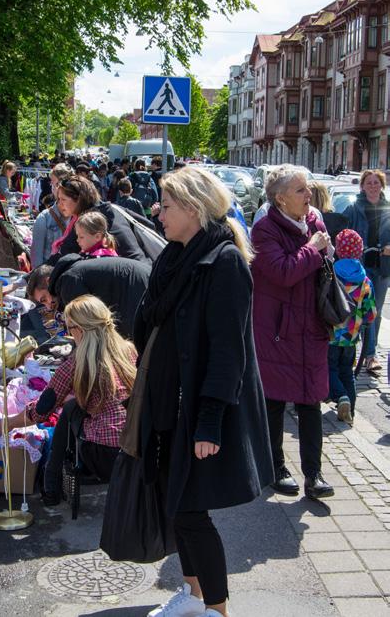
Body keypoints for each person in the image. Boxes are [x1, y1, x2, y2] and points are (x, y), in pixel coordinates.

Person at [134, 166, 273, 617]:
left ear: (193, 209)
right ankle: (194, 598)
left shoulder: (224, 261)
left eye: (167, 205)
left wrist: (210, 420)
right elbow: (153, 319)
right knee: (176, 506)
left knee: (191, 510)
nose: (159, 213)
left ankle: (217, 609)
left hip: (200, 408)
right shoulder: (175, 256)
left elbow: (229, 351)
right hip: (169, 402)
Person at [0, 295, 137, 505]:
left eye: (70, 329)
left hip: (104, 454)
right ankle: (52, 486)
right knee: (72, 406)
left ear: (80, 329)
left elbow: (42, 409)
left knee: (69, 409)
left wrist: (7, 423)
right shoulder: (129, 351)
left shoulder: (77, 363)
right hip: (136, 446)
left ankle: (51, 487)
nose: (69, 334)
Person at [251, 164, 335, 500]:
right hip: (277, 330)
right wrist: (314, 249)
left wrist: (326, 251)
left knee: (311, 401)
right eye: (300, 190)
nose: (309, 194)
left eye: (308, 188)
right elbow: (284, 272)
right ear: (281, 199)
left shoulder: (314, 219)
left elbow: (321, 263)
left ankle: (314, 475)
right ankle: (276, 468)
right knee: (274, 401)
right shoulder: (264, 230)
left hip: (310, 327)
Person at [26, 256, 150, 339]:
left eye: (44, 299)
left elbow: (87, 327)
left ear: (48, 281)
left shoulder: (67, 282)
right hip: (139, 281)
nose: (48, 305)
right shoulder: (69, 275)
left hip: (136, 290)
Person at [343, 169, 390, 375]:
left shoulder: (388, 209)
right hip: (359, 269)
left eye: (376, 183)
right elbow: (341, 232)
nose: (373, 186)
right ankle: (362, 353)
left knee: (375, 312)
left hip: (382, 268)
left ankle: (370, 355)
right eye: (369, 183)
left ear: (382, 186)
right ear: (362, 186)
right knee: (359, 311)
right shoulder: (354, 208)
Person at [329, 230, 376, 424]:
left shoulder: (331, 274)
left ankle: (341, 397)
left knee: (329, 368)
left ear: (338, 250)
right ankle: (351, 411)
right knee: (347, 371)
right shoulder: (365, 280)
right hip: (351, 336)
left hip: (331, 333)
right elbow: (370, 313)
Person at [48, 176, 152, 264]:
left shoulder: (88, 221)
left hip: (128, 279)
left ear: (79, 199)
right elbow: (149, 224)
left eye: (63, 199)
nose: (59, 204)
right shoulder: (110, 208)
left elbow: (65, 255)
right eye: (58, 200)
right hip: (143, 267)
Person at [30, 164, 72, 267]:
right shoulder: (44, 218)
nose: (52, 187)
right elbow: (37, 261)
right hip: (50, 277)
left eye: (54, 183)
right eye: (52, 183)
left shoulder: (80, 217)